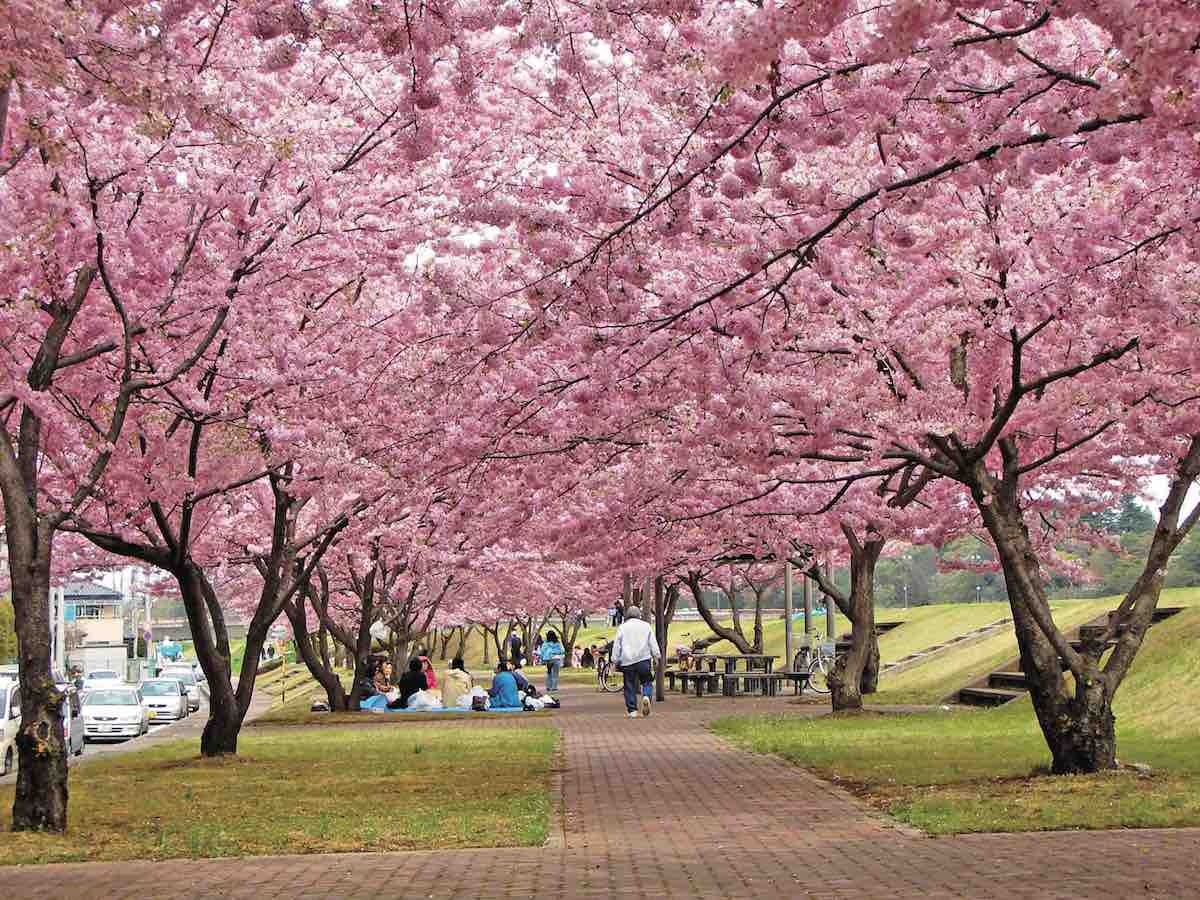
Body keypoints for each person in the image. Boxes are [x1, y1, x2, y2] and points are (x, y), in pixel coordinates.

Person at [611, 606, 660, 718]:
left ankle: (632, 710)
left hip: (627, 661)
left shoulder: (622, 628)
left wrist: (614, 660)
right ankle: (646, 696)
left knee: (629, 685)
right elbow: (652, 642)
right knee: (647, 681)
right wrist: (656, 656)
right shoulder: (646, 626)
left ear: (627, 615)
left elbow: (617, 646)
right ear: (639, 615)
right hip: (644, 659)